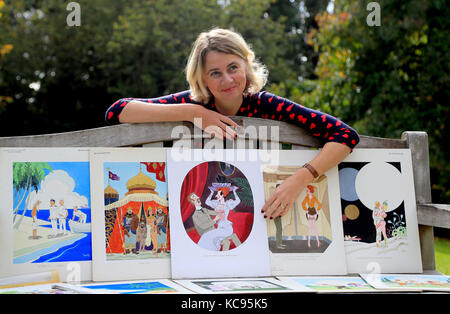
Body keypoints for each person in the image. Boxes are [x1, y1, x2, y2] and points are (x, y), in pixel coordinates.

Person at [105, 28, 360, 219]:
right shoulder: (195, 102)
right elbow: (117, 111)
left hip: (261, 207)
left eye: (233, 68)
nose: (227, 79)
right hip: (198, 206)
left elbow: (345, 135)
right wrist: (194, 112)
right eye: (215, 73)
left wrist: (298, 180)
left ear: (246, 67)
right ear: (202, 78)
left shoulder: (267, 104)